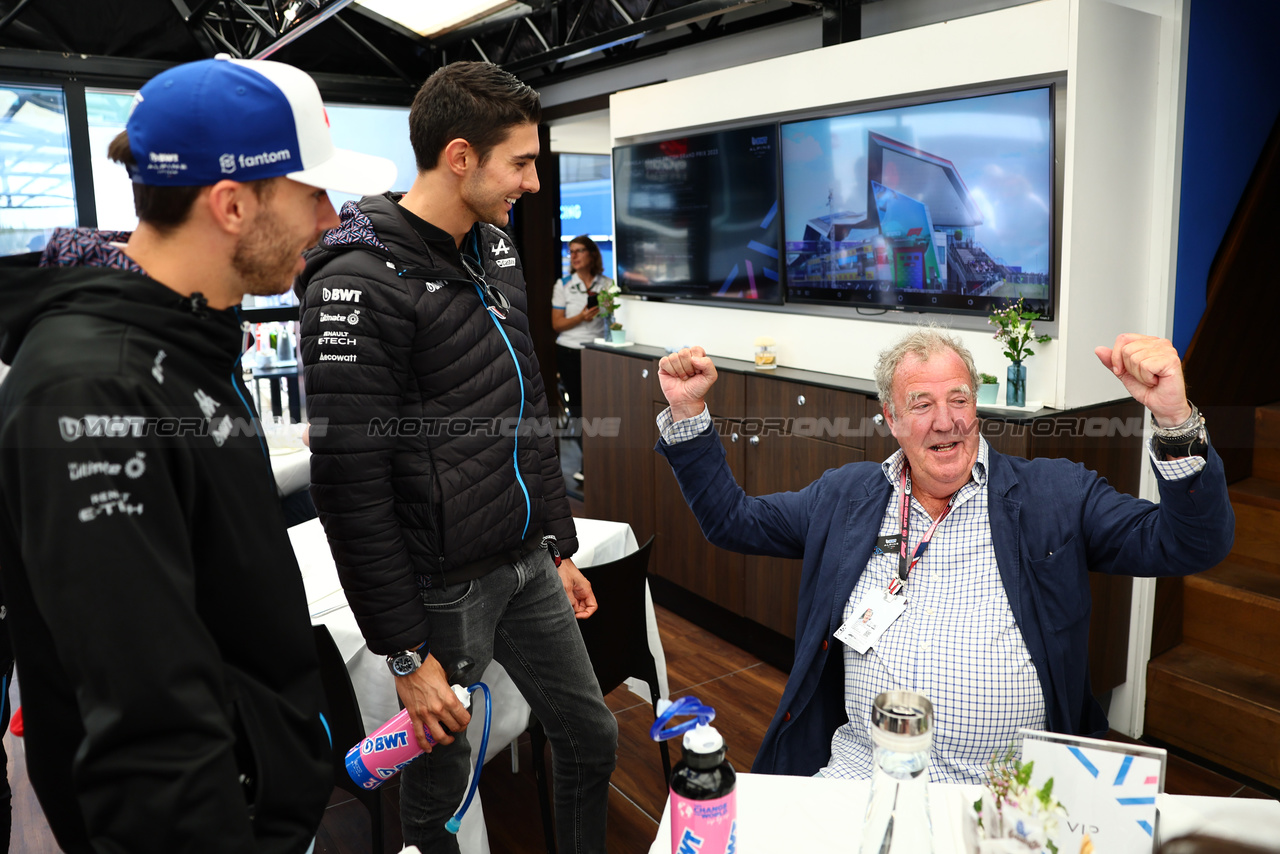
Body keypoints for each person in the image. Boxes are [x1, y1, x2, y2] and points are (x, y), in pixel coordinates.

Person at [0, 56, 395, 852]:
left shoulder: (183, 341)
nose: (330, 219)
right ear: (233, 204)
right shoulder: (92, 388)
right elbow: (148, 730)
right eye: (312, 192)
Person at [654, 328, 1233, 783]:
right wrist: (687, 415)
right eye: (921, 403)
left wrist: (1175, 419)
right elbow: (733, 521)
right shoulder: (846, 497)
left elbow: (1191, 543)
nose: (945, 420)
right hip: (866, 770)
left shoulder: (1055, 495)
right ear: (891, 418)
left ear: (975, 407)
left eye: (959, 398)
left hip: (1012, 788)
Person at [296, 60, 617, 854]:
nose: (534, 183)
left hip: (524, 559)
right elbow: (349, 483)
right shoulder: (359, 279)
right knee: (440, 798)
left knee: (591, 735)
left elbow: (526, 406)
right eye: (523, 162)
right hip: (441, 589)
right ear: (462, 157)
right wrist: (405, 653)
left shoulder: (496, 248)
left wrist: (559, 543)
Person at [551, 236, 612, 480]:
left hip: (596, 352)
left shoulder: (606, 284)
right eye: (571, 252)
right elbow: (557, 324)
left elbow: (610, 318)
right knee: (578, 408)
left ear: (592, 254)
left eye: (579, 251)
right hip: (569, 350)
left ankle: (599, 462)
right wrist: (581, 317)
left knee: (599, 407)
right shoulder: (563, 284)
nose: (574, 256)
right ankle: (586, 462)